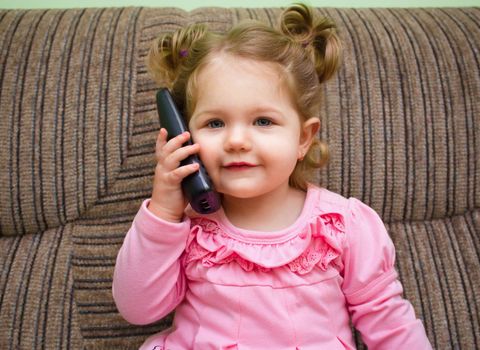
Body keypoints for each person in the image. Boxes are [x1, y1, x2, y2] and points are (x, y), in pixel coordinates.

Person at [112, 4, 432, 349]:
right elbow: (137, 309)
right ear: (186, 135)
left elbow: (390, 324)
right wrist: (162, 211)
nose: (236, 141)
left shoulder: (343, 225)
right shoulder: (187, 229)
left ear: (303, 138)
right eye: (215, 124)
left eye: (263, 121)